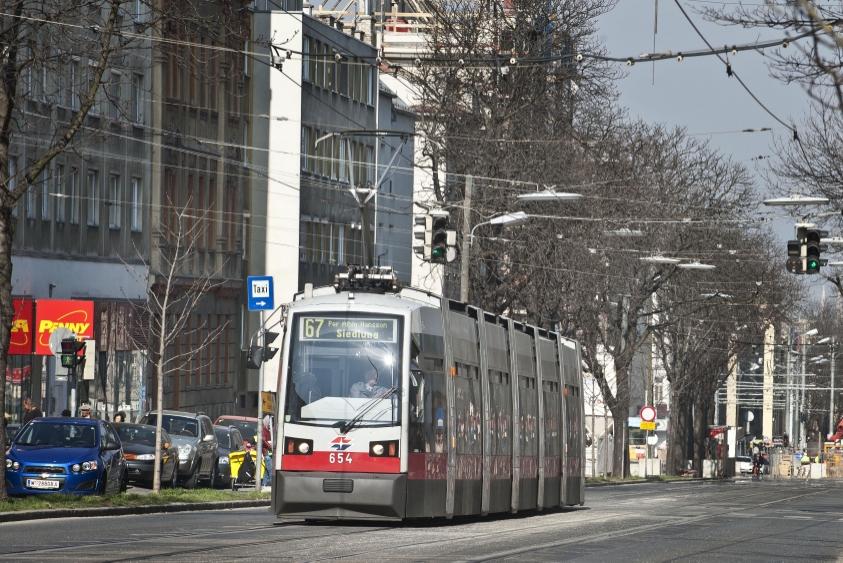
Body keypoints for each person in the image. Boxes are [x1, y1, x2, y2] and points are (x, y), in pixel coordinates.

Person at [260, 415, 273, 490]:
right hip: (266, 453)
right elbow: (264, 441)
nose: (270, 424)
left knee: (267, 470)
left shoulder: (269, 429)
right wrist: (271, 447)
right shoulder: (263, 430)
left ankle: (264, 485)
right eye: (269, 423)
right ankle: (272, 485)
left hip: (269, 452)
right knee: (271, 469)